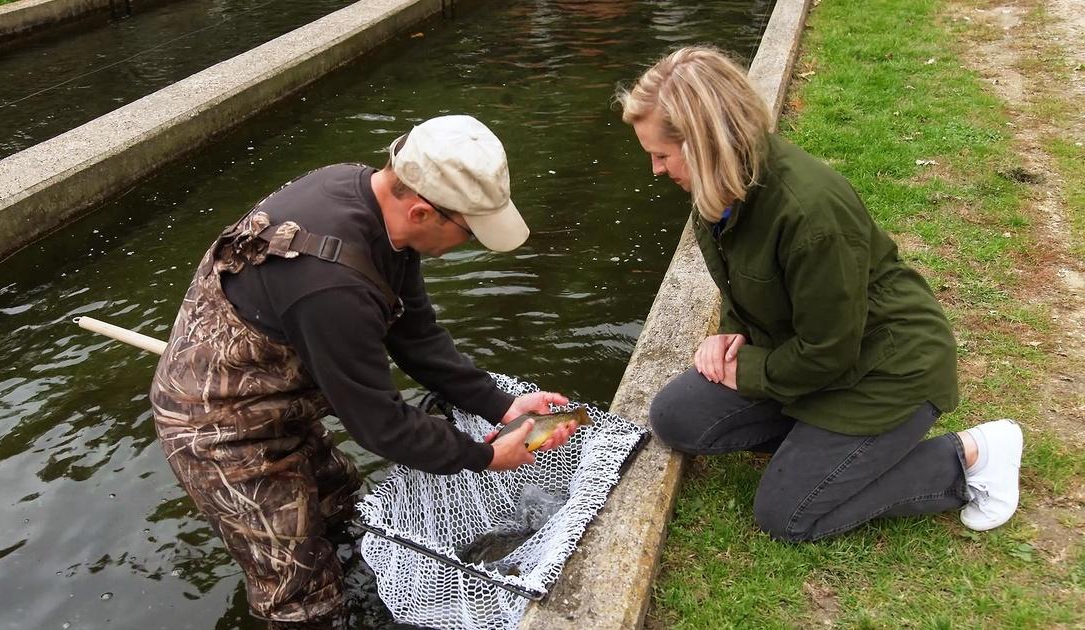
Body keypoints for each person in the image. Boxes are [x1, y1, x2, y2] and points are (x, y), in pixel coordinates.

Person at [148, 115, 578, 628]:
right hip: (223, 432)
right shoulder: (334, 287)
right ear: (422, 210)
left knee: (346, 517)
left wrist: (501, 405)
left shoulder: (371, 205)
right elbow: (382, 425)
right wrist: (485, 456)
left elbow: (415, 335)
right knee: (302, 598)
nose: (471, 243)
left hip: (286, 400)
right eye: (469, 231)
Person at [618, 47, 1023, 542]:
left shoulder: (809, 214)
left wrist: (742, 367)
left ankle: (971, 457)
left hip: (884, 370)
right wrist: (729, 335)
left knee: (787, 515)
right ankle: (827, 448)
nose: (656, 170)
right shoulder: (716, 190)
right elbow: (743, 283)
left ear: (703, 144)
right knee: (677, 418)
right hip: (808, 356)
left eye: (660, 155)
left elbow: (829, 352)